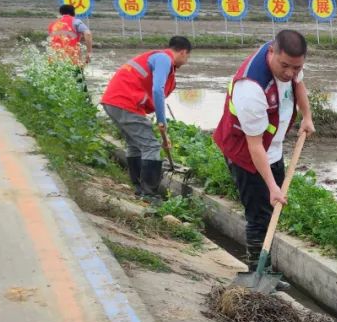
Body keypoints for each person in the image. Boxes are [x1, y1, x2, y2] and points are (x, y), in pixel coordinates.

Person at [213, 29, 314, 273]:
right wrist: (272, 187)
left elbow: (299, 85)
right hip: (247, 155)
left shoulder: (291, 63)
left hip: (273, 148)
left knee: (270, 213)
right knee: (258, 215)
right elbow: (255, 146)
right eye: (285, 66)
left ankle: (264, 270)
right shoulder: (251, 88)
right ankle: (258, 272)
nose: (290, 73)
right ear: (272, 52)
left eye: (296, 67)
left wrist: (307, 116)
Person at [101, 36, 192, 201]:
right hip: (125, 101)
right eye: (187, 57)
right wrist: (161, 120)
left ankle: (138, 187)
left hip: (113, 101)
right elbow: (158, 90)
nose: (186, 62)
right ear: (183, 52)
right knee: (151, 146)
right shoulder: (164, 59)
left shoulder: (157, 57)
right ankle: (149, 194)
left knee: (135, 145)